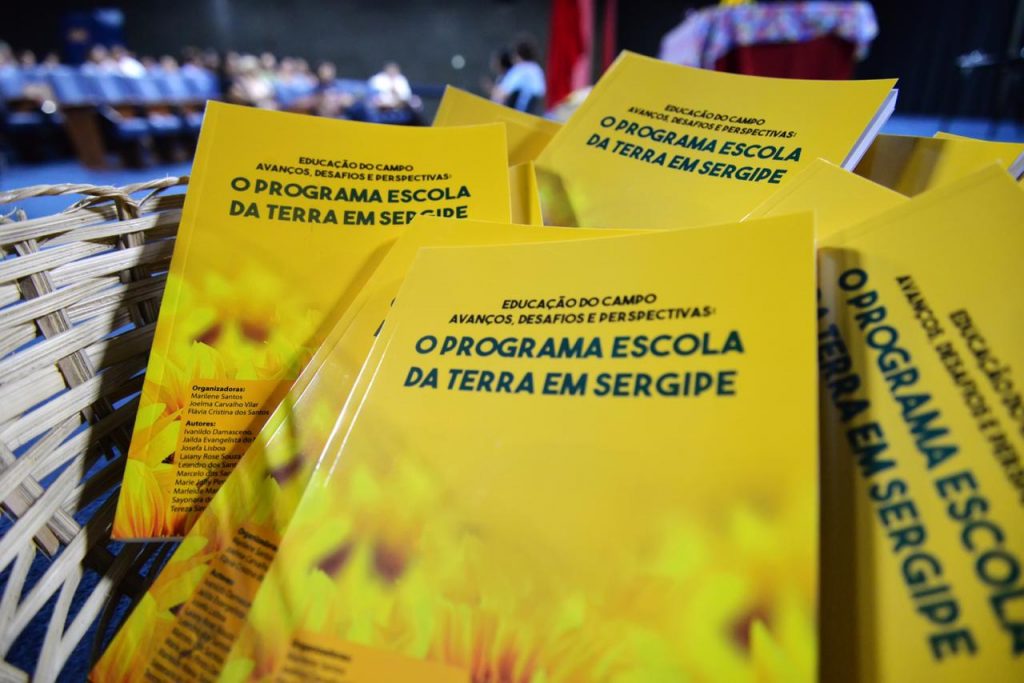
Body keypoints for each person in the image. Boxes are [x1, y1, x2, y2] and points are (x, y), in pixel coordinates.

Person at [490, 38, 545, 113]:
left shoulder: (519, 69)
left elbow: (501, 94)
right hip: (534, 115)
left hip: (518, 113)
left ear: (517, 55)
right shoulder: (538, 70)